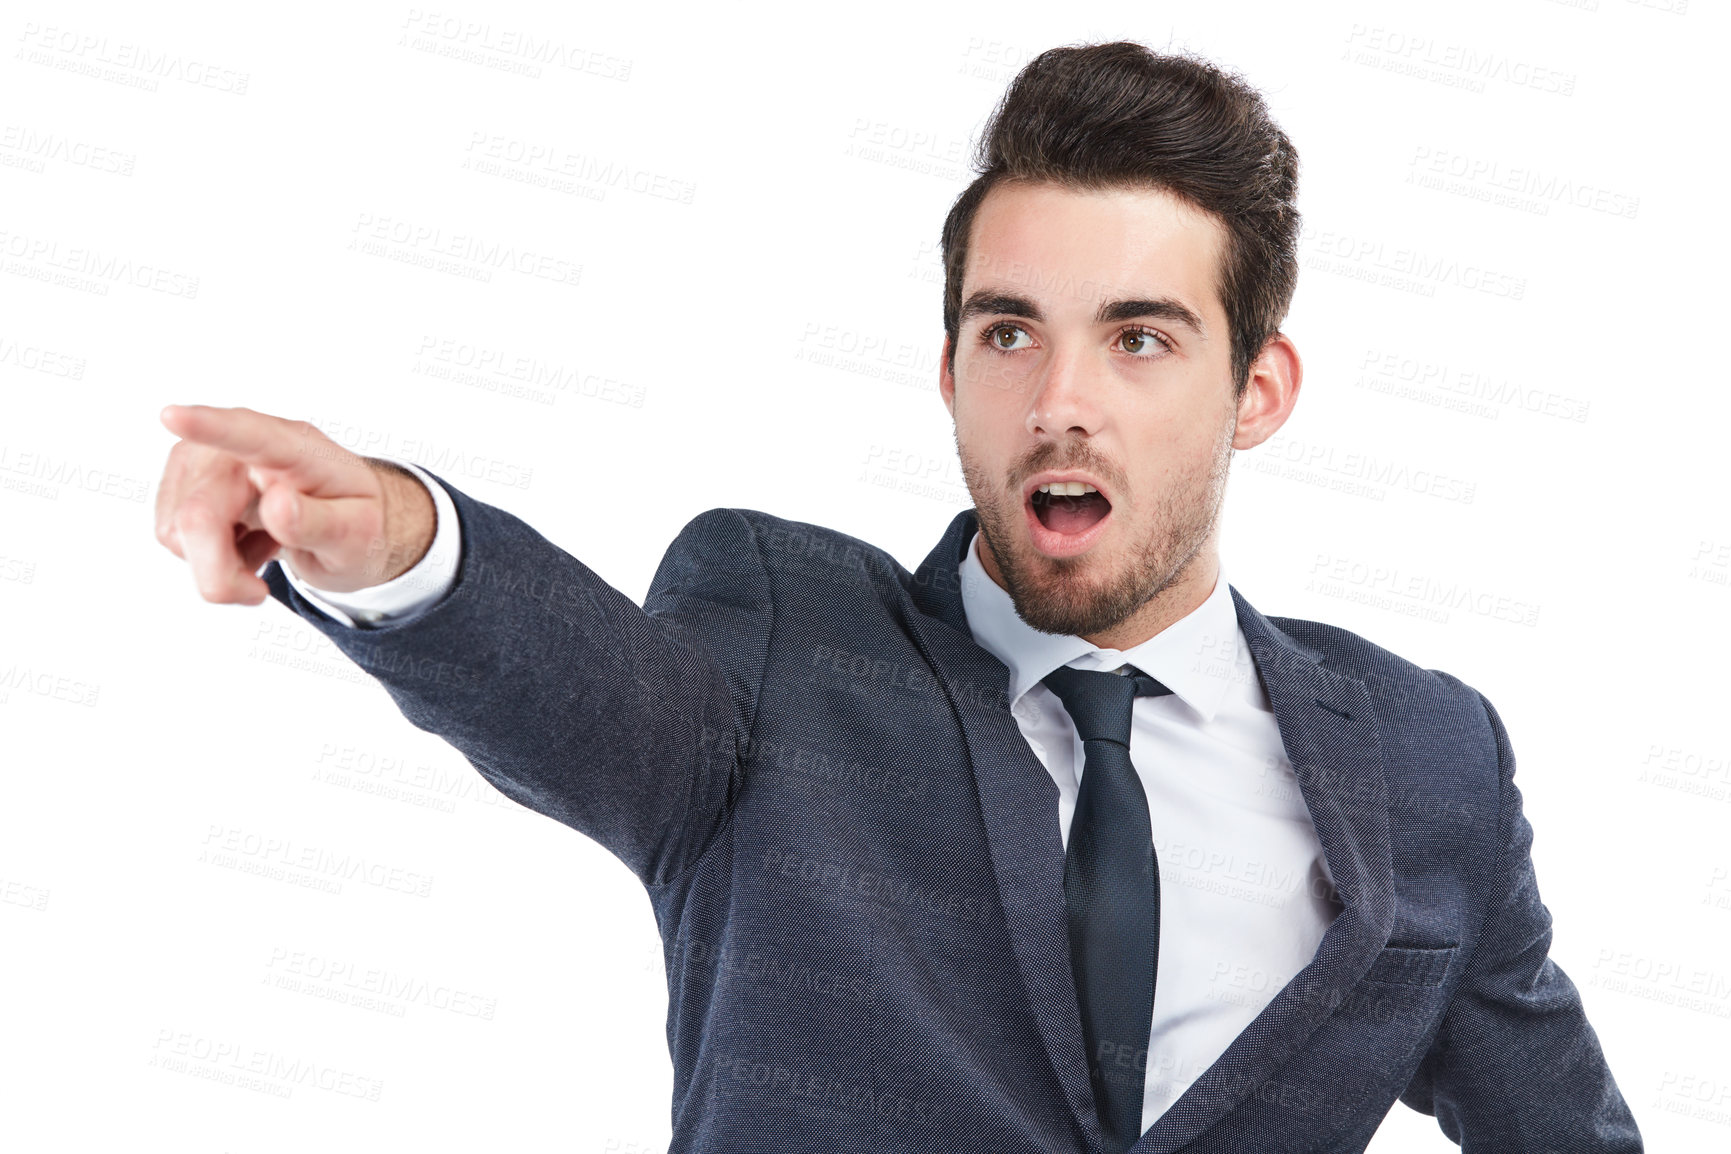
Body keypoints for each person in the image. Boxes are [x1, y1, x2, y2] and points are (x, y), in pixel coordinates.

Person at [153, 41, 1641, 1154]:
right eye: (1010, 334)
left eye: (1138, 339)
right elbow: (598, 699)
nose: (1061, 401)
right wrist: (402, 542)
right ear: (949, 374)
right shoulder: (786, 636)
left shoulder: (1425, 753)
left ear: (1258, 389)